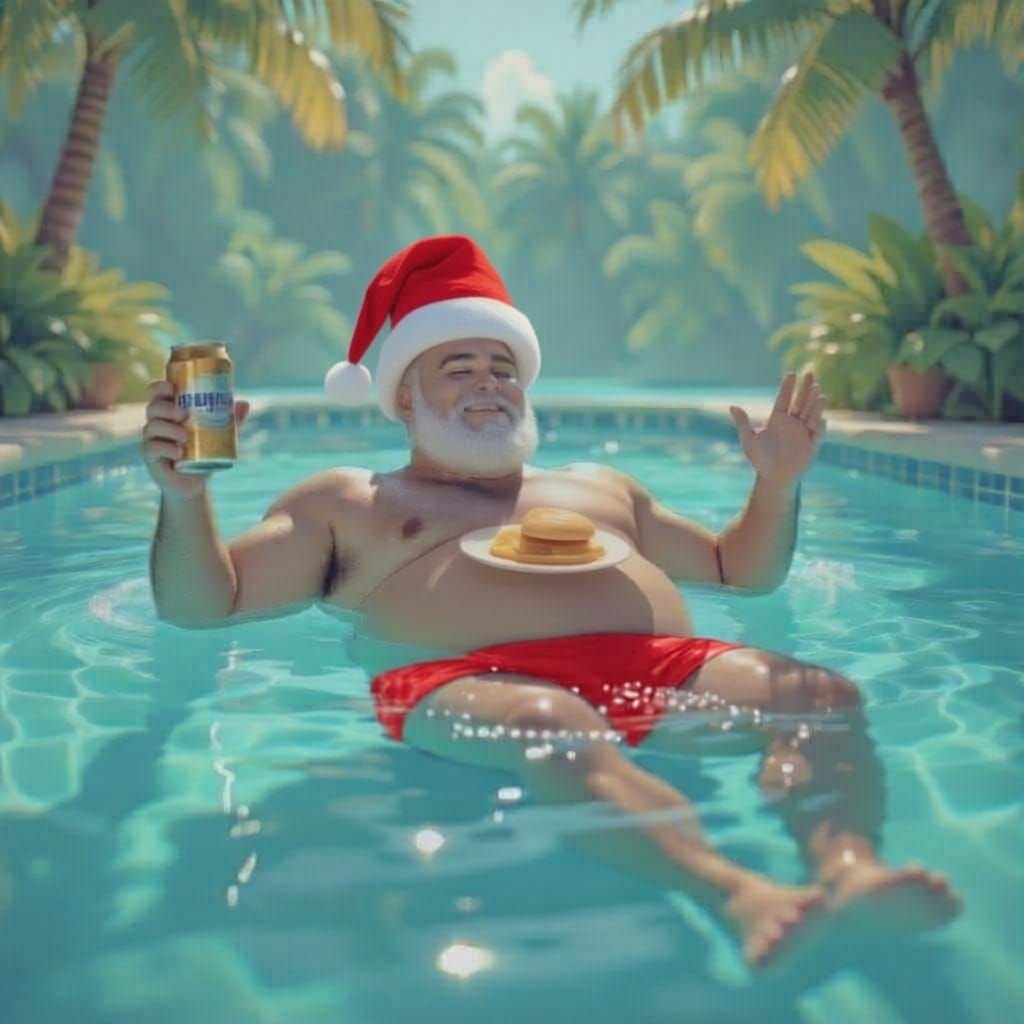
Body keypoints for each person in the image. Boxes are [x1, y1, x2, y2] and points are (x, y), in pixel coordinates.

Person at [144, 235, 960, 969]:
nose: (488, 383)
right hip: (458, 678)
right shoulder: (351, 501)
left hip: (651, 665)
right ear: (404, 398)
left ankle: (850, 869)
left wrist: (776, 486)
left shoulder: (600, 488)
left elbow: (738, 572)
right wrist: (184, 499)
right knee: (550, 723)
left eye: (503, 368)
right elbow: (205, 606)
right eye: (458, 368)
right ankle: (737, 893)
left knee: (817, 695)